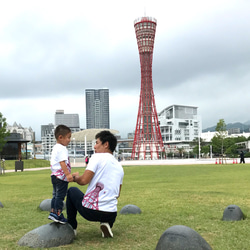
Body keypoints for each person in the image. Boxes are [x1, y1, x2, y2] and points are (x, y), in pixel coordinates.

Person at [66, 130, 124, 238]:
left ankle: (71, 227)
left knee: (71, 191)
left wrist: (75, 178)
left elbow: (83, 181)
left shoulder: (97, 157)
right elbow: (117, 194)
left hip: (91, 211)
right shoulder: (119, 166)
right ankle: (106, 223)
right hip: (111, 213)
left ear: (106, 144)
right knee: (107, 210)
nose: (94, 147)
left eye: (97, 143)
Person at [48, 124, 73, 224]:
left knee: (55, 195)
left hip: (54, 176)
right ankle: (58, 214)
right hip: (61, 177)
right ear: (60, 137)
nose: (69, 140)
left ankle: (53, 212)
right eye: (68, 137)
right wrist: (67, 175)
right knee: (60, 196)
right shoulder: (62, 148)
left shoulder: (55, 148)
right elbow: (62, 163)